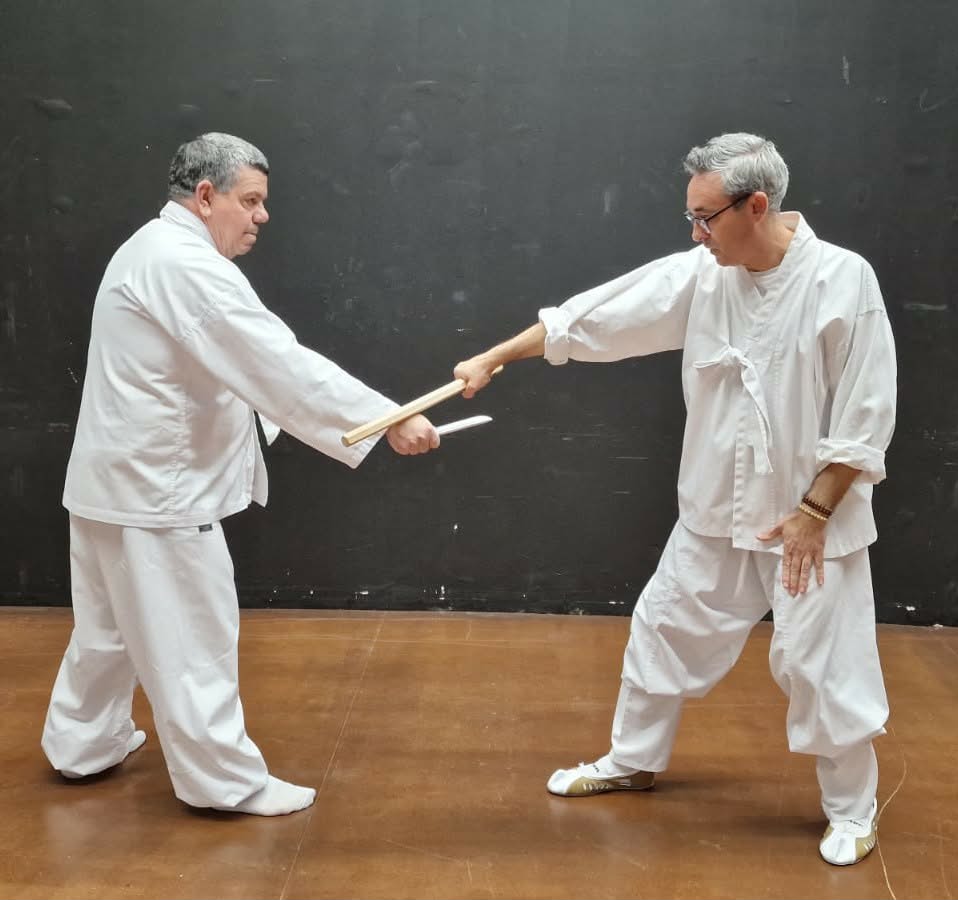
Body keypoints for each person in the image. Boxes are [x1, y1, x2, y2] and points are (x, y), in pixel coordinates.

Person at [453, 133, 897, 865]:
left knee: (822, 665)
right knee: (661, 629)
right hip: (715, 508)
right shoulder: (705, 275)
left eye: (705, 217)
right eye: (690, 217)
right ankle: (632, 759)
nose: (695, 233)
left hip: (808, 522)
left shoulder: (842, 279)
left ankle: (852, 810)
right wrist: (496, 357)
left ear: (756, 206)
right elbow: (603, 314)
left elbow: (865, 411)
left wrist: (815, 513)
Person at [41, 132, 440, 816]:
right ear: (205, 196)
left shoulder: (148, 248)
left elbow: (245, 364)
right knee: (194, 639)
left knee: (107, 632)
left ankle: (84, 744)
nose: (262, 215)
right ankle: (223, 782)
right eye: (250, 201)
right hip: (160, 496)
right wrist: (386, 419)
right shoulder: (186, 265)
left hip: (113, 485)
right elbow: (273, 362)